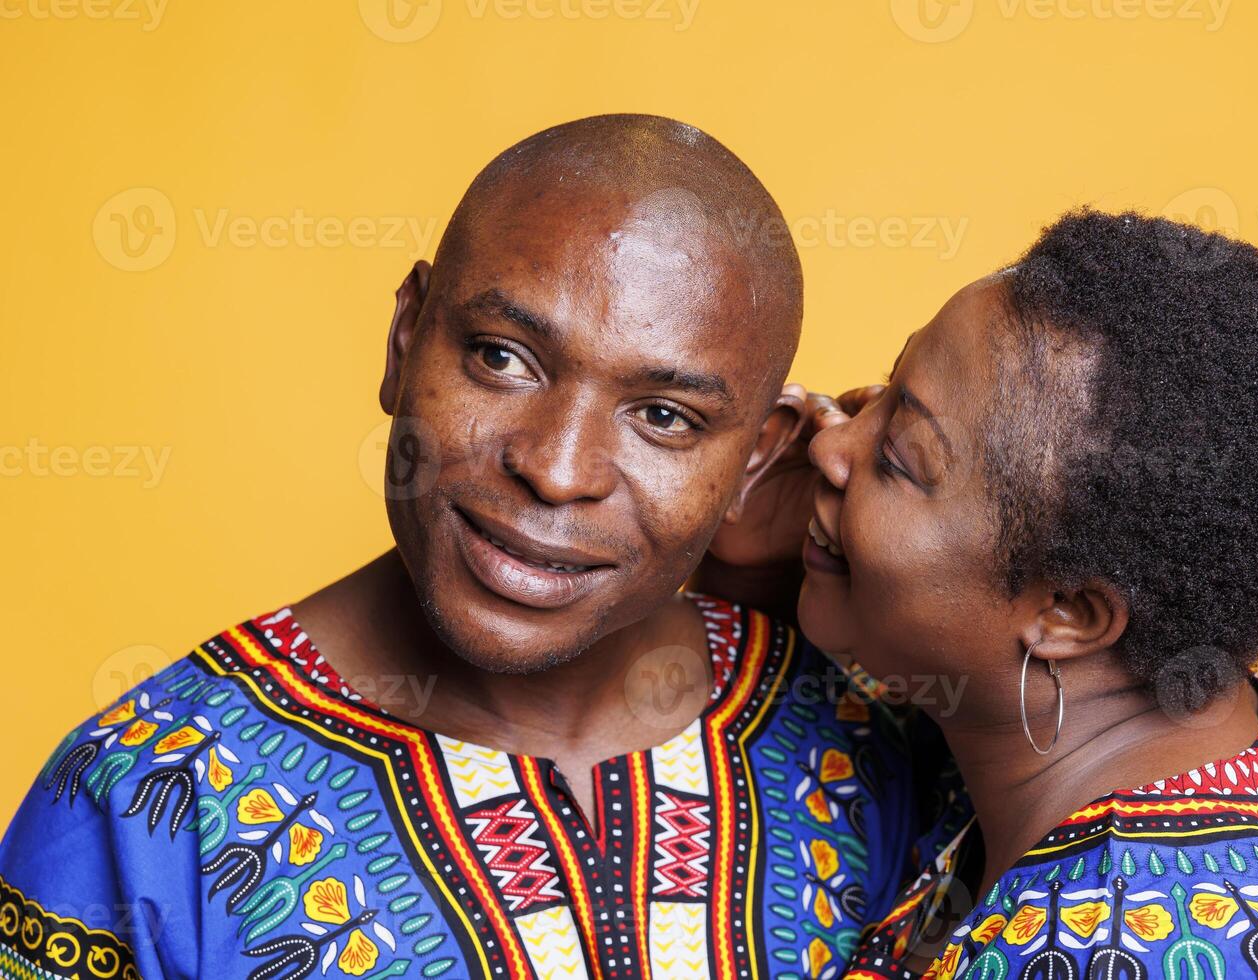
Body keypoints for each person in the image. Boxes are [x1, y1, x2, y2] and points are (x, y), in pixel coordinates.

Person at [0, 115, 953, 980]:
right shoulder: (141, 800)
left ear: (759, 456)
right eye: (502, 356)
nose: (555, 468)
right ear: (405, 336)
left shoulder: (874, 740)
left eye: (663, 416)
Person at [703, 210, 1258, 978]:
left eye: (898, 458)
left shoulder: (1127, 953)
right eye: (887, 386)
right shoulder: (1207, 737)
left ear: (1067, 614)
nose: (828, 441)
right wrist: (760, 565)